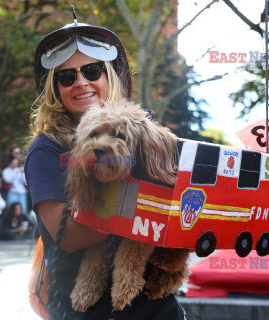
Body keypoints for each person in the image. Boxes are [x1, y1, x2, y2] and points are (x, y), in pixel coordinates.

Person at [25, 15, 186, 320]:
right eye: (67, 77)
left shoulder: (144, 130)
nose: (81, 82)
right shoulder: (46, 150)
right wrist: (149, 206)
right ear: (55, 88)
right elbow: (69, 236)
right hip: (84, 310)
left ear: (110, 75)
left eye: (92, 71)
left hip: (156, 307)